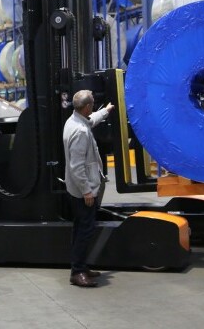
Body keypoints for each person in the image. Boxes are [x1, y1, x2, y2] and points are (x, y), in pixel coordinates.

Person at [63, 90, 114, 287]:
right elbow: (77, 167)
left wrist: (106, 111)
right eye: (92, 104)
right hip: (82, 191)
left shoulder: (75, 120)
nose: (93, 106)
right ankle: (77, 272)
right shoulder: (80, 132)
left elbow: (91, 121)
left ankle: (81, 267)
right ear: (86, 107)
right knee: (84, 231)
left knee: (81, 229)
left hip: (76, 188)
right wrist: (86, 191)